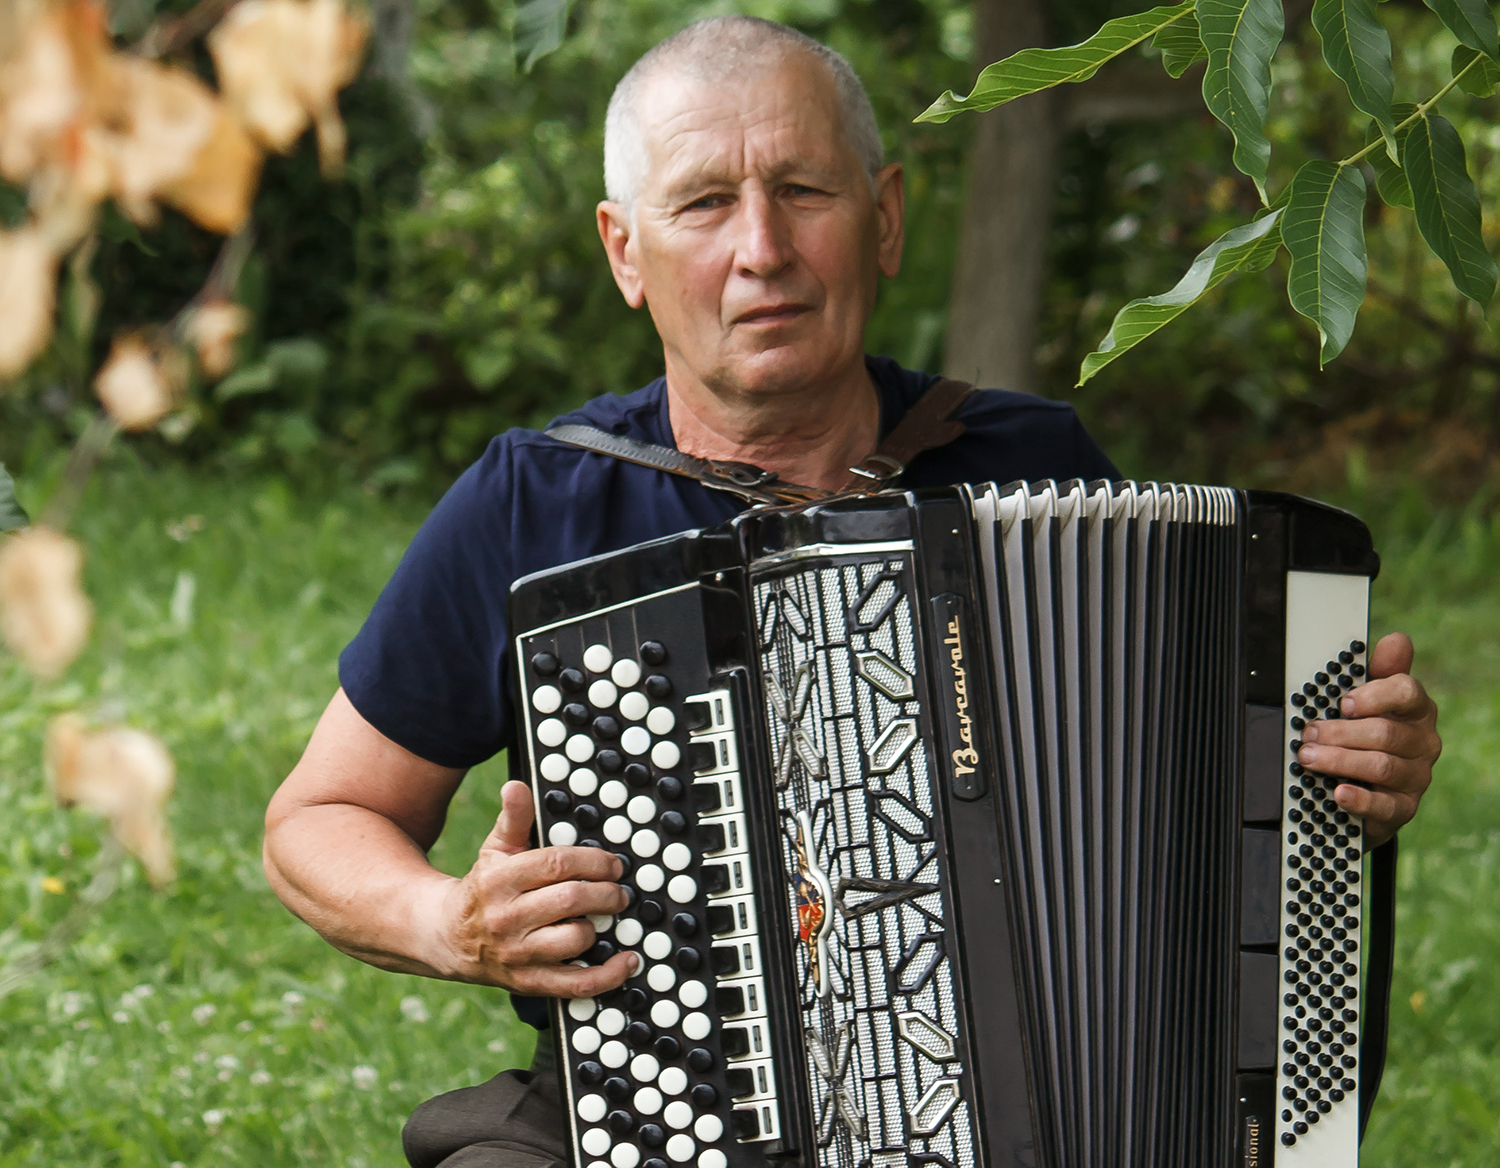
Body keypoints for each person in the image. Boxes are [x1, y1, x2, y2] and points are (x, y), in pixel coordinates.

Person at [262, 16, 1443, 1168]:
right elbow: (318, 821)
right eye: (704, 203)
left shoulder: (1034, 465)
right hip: (654, 1117)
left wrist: (1347, 768)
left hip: (1030, 1115)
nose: (761, 249)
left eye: (803, 192)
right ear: (627, 251)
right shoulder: (539, 504)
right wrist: (447, 923)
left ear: (883, 219)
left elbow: (1190, 797)